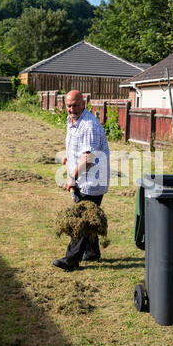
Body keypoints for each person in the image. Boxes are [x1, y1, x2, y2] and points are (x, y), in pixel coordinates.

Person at [53, 90, 110, 271]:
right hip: (82, 178)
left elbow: (89, 158)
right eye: (69, 105)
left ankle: (72, 259)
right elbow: (78, 149)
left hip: (91, 180)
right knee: (88, 217)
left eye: (75, 105)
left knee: (81, 220)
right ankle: (92, 253)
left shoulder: (88, 125)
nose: (72, 109)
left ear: (83, 104)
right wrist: (68, 159)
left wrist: (71, 177)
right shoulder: (72, 122)